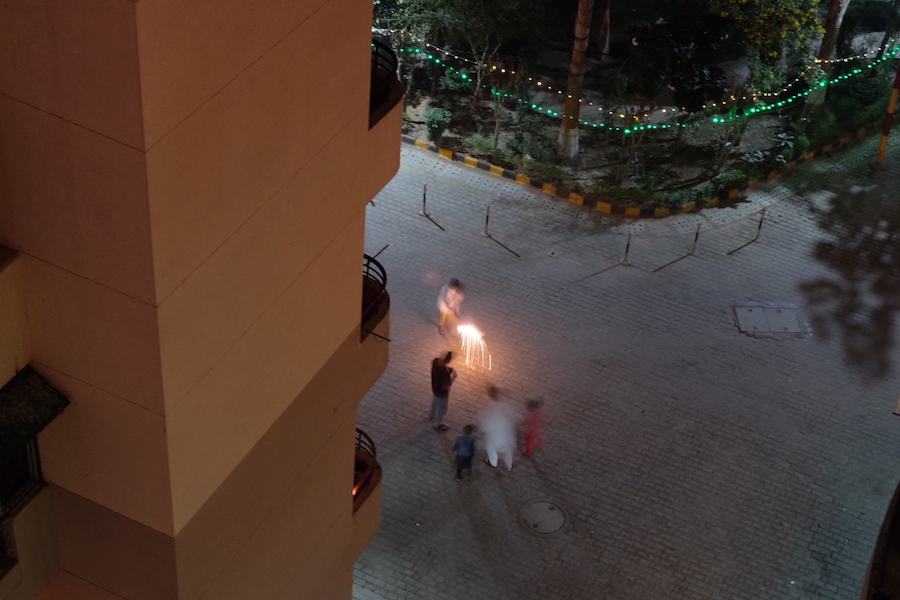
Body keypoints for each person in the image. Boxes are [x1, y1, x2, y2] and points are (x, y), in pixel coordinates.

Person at [477, 385, 519, 471]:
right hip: (506, 432)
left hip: (494, 433)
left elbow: (485, 420)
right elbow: (513, 415)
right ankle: (508, 465)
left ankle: (493, 462)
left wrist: (482, 427)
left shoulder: (490, 406)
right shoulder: (506, 403)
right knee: (508, 450)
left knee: (491, 447)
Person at [429, 351, 457, 431]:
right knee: (442, 409)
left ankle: (431, 416)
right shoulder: (445, 373)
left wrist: (449, 369)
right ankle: (437, 424)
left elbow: (441, 365)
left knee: (434, 402)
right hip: (442, 393)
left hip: (434, 389)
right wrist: (453, 378)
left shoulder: (435, 361)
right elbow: (446, 387)